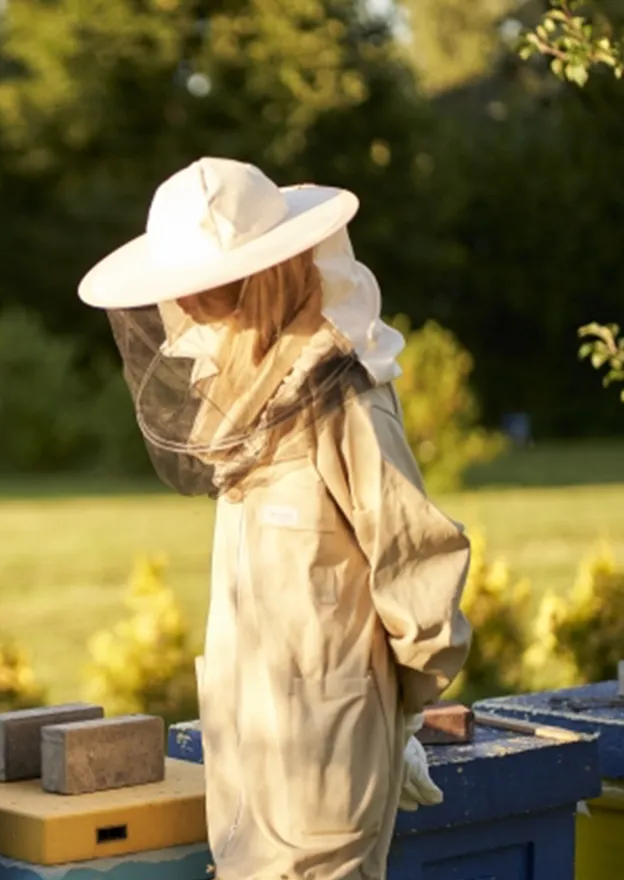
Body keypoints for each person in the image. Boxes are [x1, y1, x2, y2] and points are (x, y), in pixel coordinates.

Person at [77, 157, 472, 878]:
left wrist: (408, 713)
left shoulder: (343, 391)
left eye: (206, 289)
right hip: (251, 732)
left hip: (330, 749)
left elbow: (416, 558)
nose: (188, 307)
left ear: (265, 275)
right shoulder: (235, 387)